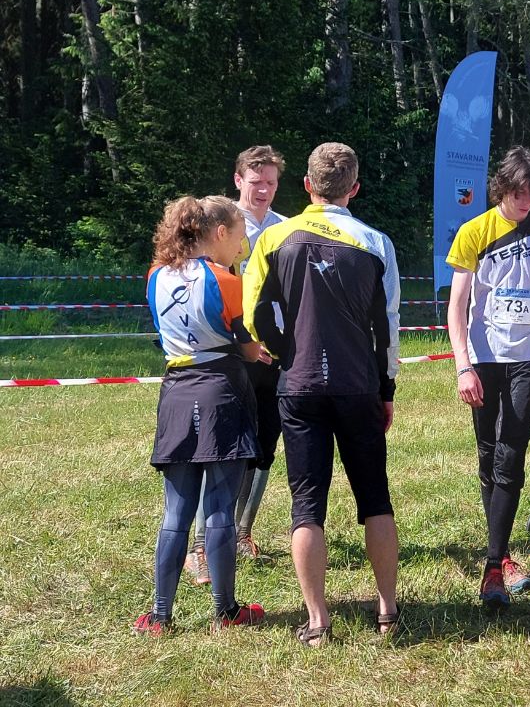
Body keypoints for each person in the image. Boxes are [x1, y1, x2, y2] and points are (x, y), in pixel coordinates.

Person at [243, 142, 400, 646]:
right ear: (354, 189)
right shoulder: (376, 243)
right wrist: (387, 388)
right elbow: (387, 326)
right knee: (375, 496)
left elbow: (253, 314)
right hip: (359, 385)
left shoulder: (275, 237)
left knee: (307, 504)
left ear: (307, 185)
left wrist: (283, 350)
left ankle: (317, 620)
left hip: (299, 384)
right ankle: (387, 610)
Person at [135, 195, 269, 636]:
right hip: (221, 392)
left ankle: (160, 615)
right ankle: (225, 611)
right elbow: (248, 347)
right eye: (239, 237)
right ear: (220, 233)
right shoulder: (227, 281)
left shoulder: (155, 276)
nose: (242, 247)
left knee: (175, 512)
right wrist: (261, 351)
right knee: (219, 510)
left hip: (176, 391)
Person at [446, 146, 530, 610]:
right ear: (503, 188)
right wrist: (462, 366)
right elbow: (457, 308)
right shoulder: (474, 232)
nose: (526, 202)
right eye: (519, 193)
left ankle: (493, 565)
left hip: (528, 359)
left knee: (511, 452)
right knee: (489, 453)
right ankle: (501, 553)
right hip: (483, 358)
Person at [184, 145, 288, 585]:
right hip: (228, 351)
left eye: (271, 182)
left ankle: (243, 532)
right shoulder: (219, 225)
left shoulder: (285, 228)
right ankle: (199, 547)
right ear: (238, 179)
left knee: (264, 442)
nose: (264, 190)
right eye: (256, 181)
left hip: (274, 350)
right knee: (221, 447)